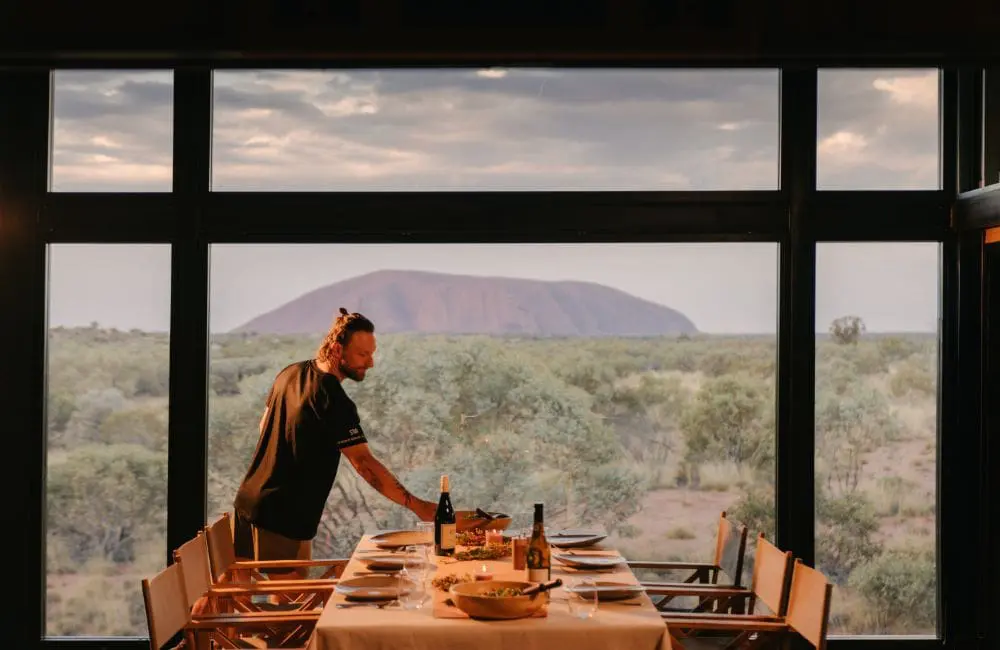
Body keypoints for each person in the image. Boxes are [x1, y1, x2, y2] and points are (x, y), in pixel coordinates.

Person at [232, 307, 437, 572]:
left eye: (372, 354)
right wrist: (417, 505)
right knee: (289, 603)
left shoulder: (289, 373)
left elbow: (264, 427)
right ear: (338, 350)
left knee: (251, 594)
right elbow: (363, 463)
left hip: (250, 499)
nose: (370, 362)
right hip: (282, 513)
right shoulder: (332, 397)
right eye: (363, 354)